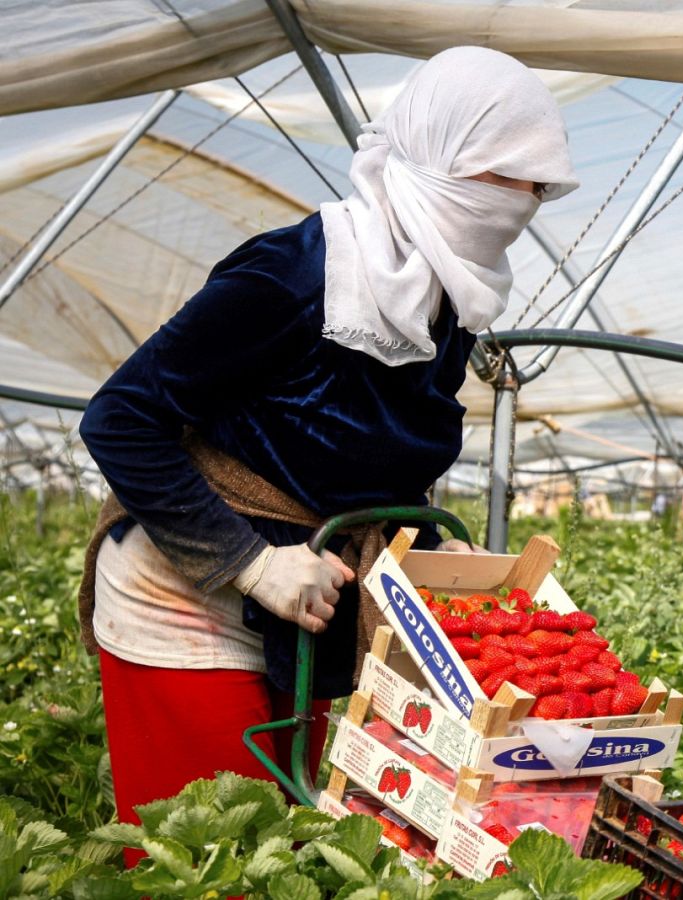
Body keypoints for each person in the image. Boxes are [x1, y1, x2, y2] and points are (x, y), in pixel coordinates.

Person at [76, 46, 579, 851]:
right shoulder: (296, 273)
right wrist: (251, 564)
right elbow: (120, 419)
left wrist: (436, 556)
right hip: (187, 591)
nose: (522, 203)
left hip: (309, 605)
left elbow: (375, 460)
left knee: (289, 848)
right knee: (210, 858)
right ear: (438, 152)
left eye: (536, 186)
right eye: (504, 176)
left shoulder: (447, 302)